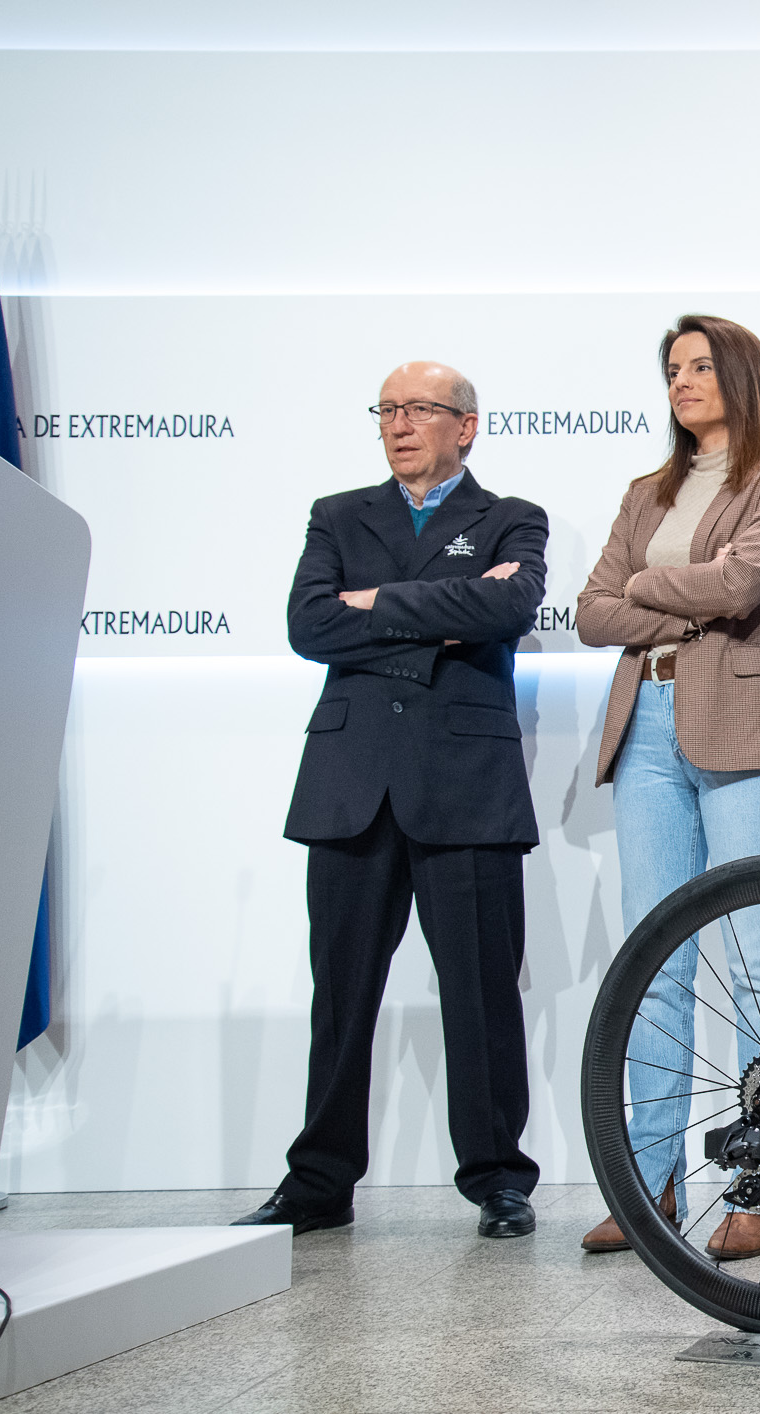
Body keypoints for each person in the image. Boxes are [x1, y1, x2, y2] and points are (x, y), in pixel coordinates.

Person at [238, 361, 547, 1239]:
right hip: (351, 782)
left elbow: (506, 609)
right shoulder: (338, 514)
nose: (399, 423)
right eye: (387, 410)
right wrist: (441, 610)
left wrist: (374, 603)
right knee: (339, 995)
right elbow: (310, 626)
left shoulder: (512, 518)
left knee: (481, 991)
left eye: (418, 409)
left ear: (466, 426)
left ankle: (497, 1177)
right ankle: (319, 1182)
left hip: (465, 784)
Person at [575, 315, 760, 1260]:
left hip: (745, 729)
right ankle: (652, 1185)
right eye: (671, 369)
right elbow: (594, 613)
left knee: (759, 963)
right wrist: (671, 587)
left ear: (741, 376)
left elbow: (742, 584)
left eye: (699, 366)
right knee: (656, 965)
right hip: (645, 732)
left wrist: (648, 586)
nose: (680, 381)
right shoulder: (647, 490)